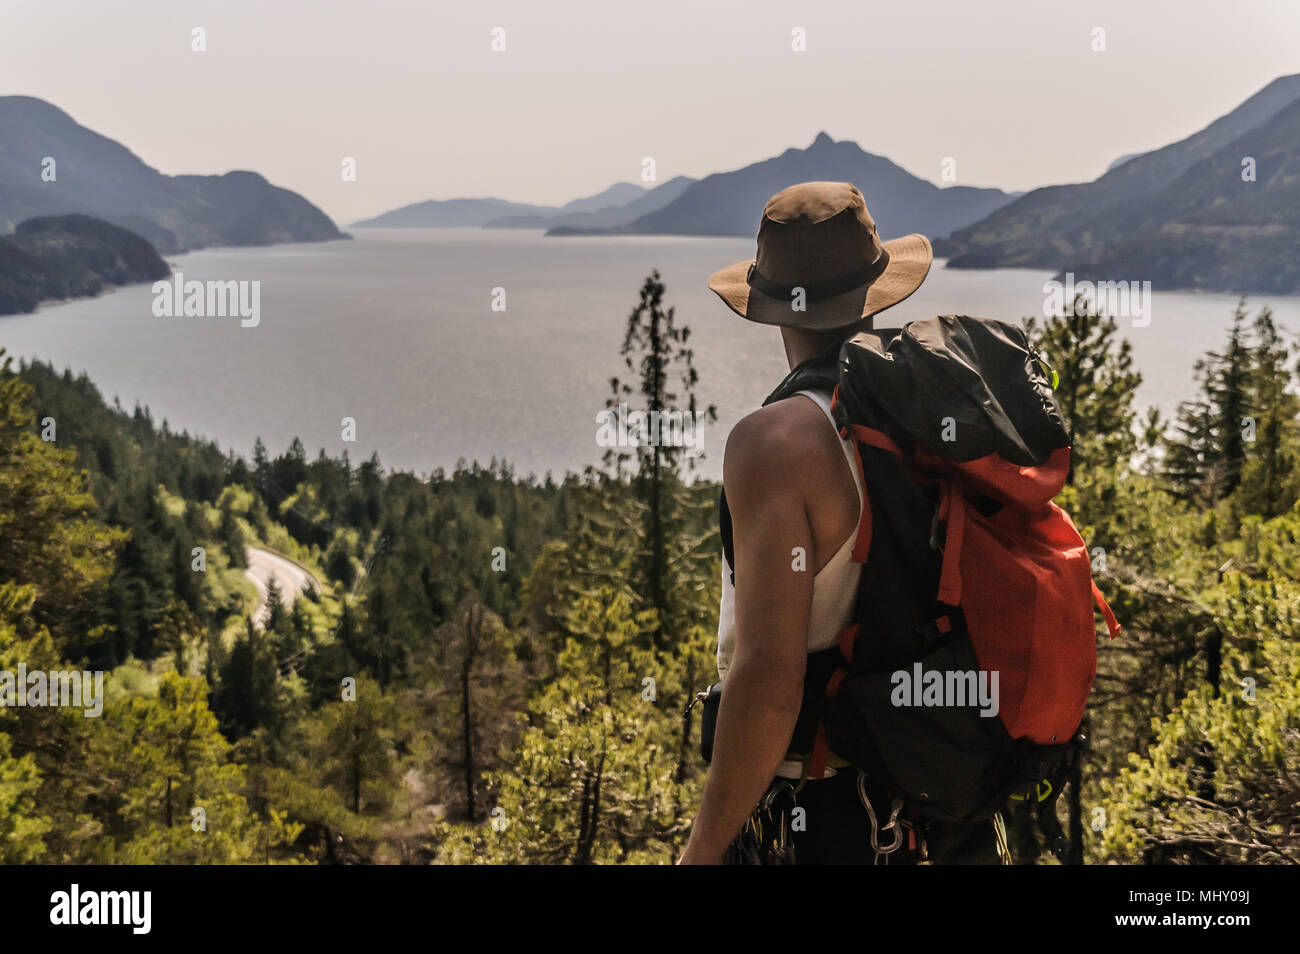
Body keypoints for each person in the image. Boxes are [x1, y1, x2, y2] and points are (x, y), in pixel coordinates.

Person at [679, 181, 1003, 865]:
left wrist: (702, 850)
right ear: (878, 290)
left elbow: (768, 680)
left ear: (769, 308)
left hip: (824, 817)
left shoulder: (775, 444)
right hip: (944, 807)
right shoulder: (925, 409)